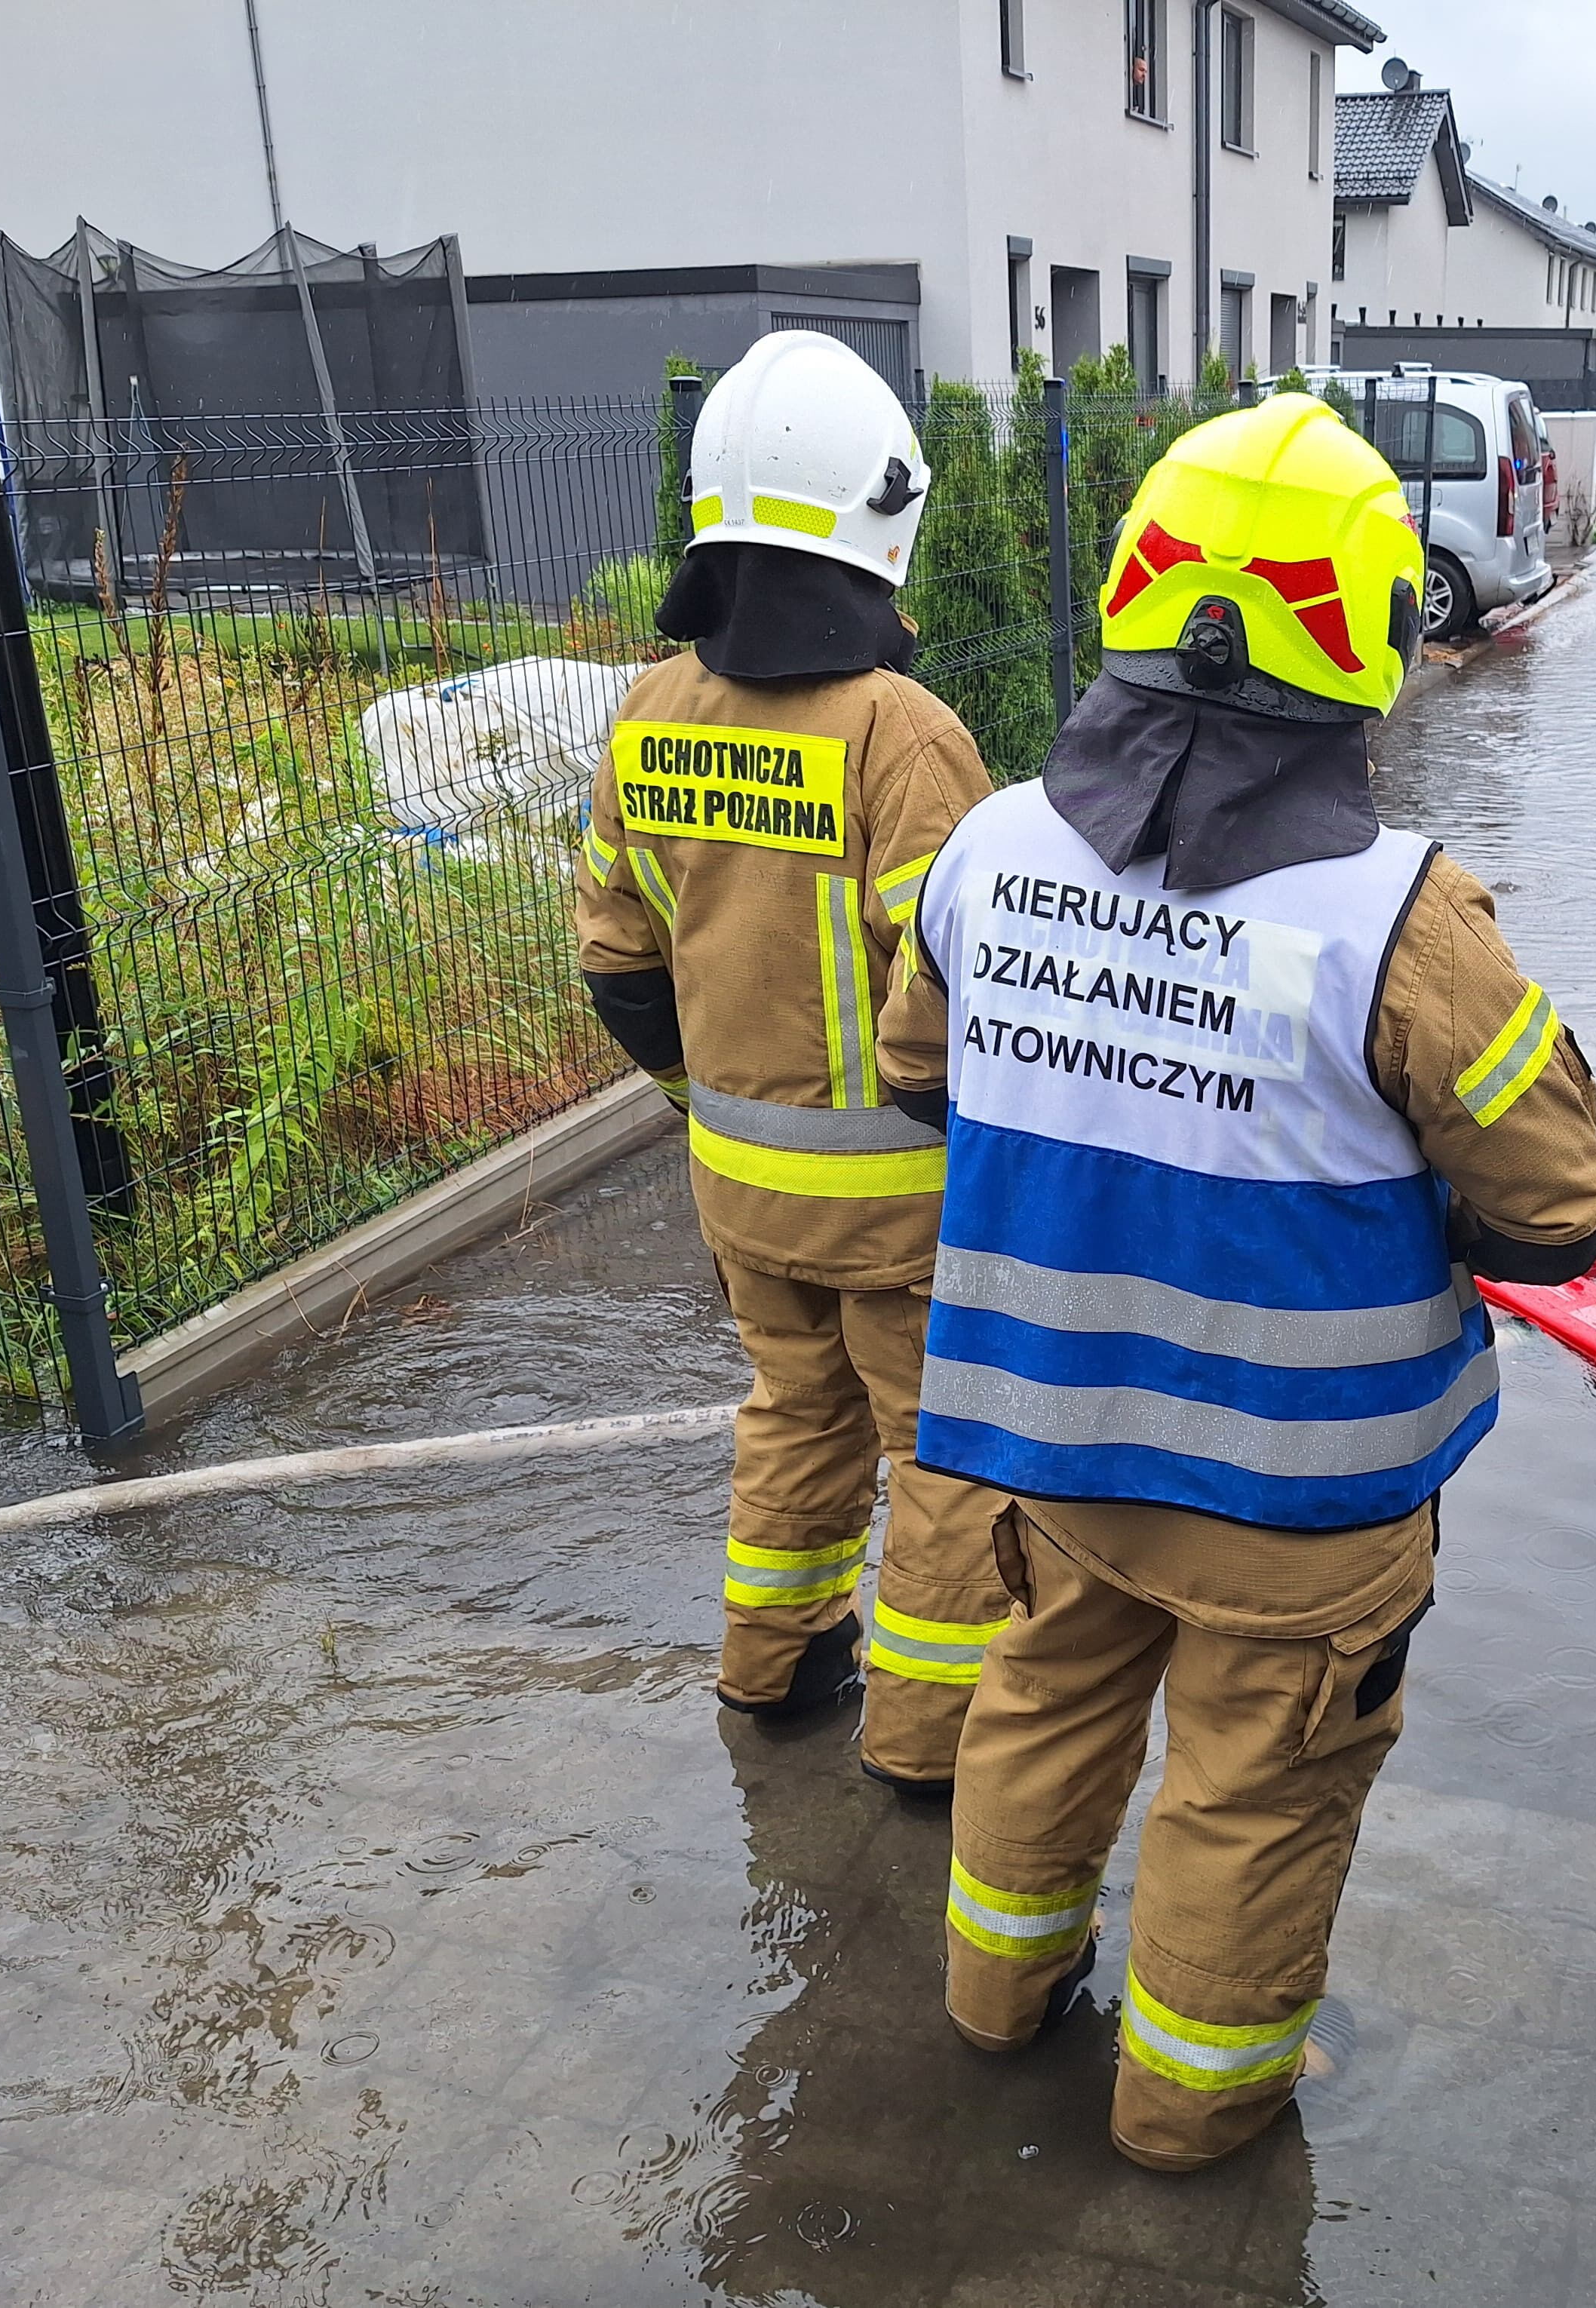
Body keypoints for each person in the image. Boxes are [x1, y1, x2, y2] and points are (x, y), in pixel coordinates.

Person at [873, 391, 1596, 2170]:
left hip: (1048, 1448)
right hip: (1299, 1498)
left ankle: (994, 2009)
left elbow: (922, 1078)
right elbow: (1559, 1213)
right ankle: (1187, 2129)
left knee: (1042, 1706)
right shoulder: (1406, 921)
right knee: (1252, 1797)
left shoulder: (986, 855)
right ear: (1368, 644)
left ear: (1137, 600)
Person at [574, 330, 1010, 1790]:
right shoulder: (904, 735)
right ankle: (923, 1744)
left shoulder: (648, 710)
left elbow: (617, 962)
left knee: (794, 1417)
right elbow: (969, 999)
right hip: (904, 1214)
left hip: (737, 1192)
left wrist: (710, 1106)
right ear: (883, 520)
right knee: (938, 1464)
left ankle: (772, 1669)